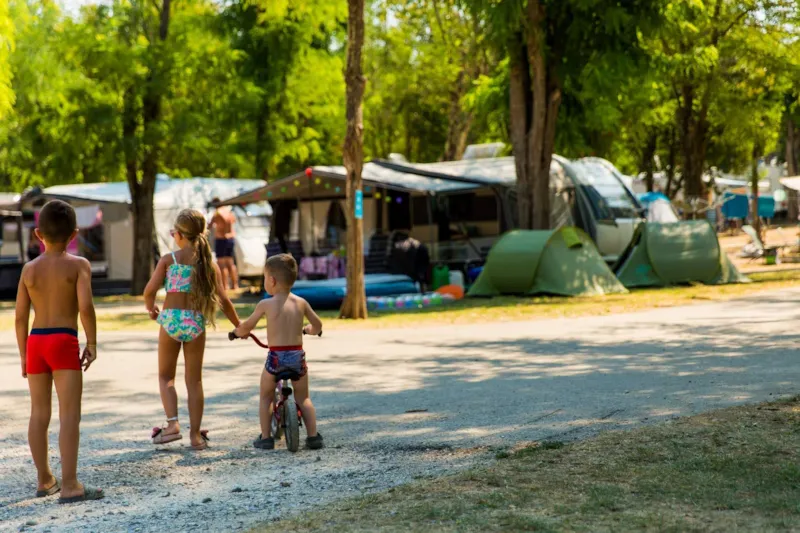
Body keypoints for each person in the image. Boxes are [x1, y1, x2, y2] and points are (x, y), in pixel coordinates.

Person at [15, 200, 103, 504]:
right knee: (69, 415)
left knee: (39, 413)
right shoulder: (79, 265)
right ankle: (70, 484)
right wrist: (91, 343)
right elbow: (85, 308)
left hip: (36, 342)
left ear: (38, 234)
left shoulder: (29, 269)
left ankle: (44, 479)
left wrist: (23, 354)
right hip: (63, 340)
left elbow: (19, 317)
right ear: (74, 233)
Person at [144, 209, 240, 451]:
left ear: (178, 235)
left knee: (166, 377)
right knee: (194, 381)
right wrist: (240, 326)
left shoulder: (169, 260)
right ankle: (196, 436)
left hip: (171, 321)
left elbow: (149, 291)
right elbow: (224, 300)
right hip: (195, 322)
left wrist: (151, 309)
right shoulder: (209, 264)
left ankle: (173, 424)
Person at [234, 254, 324, 450]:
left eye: (265, 277)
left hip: (276, 358)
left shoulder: (265, 304)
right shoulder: (301, 302)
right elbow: (317, 325)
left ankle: (266, 438)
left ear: (272, 280)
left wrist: (237, 332)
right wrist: (309, 330)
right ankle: (313, 436)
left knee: (266, 395)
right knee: (303, 398)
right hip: (297, 357)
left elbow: (246, 326)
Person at [209, 198, 238, 291]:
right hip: (231, 238)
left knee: (222, 263)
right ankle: (235, 285)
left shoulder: (217, 212)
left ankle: (225, 286)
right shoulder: (229, 211)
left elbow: (209, 226)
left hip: (221, 239)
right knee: (230, 262)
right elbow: (233, 221)